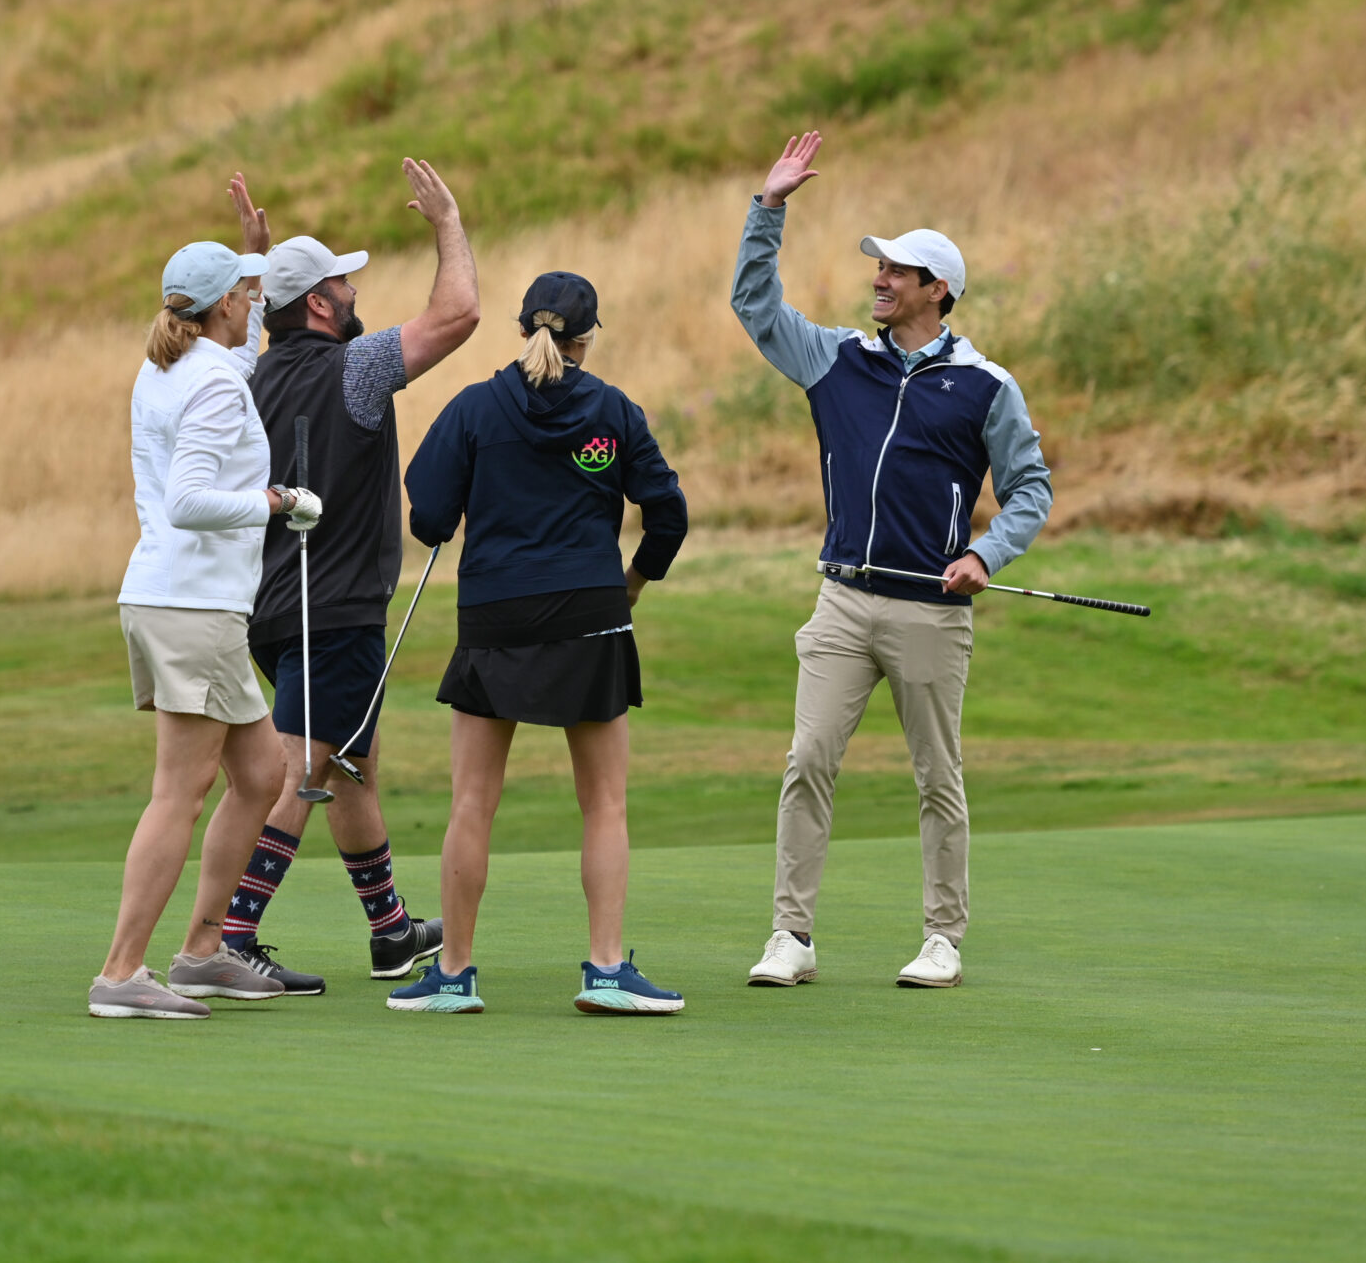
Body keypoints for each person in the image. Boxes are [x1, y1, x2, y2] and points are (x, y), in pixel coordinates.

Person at [730, 131, 1052, 991]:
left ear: (937, 290)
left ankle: (943, 938)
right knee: (807, 763)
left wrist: (987, 553)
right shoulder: (837, 359)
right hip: (841, 602)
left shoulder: (987, 384)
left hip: (930, 613)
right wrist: (770, 209)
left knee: (937, 779)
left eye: (897, 272)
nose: (879, 278)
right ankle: (789, 936)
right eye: (878, 268)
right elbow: (755, 307)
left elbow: (1029, 489)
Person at [388, 272, 690, 1016]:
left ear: (523, 328)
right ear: (587, 337)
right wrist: (634, 584)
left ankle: (454, 975)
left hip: (495, 616)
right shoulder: (613, 411)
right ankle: (607, 970)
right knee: (605, 804)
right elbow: (668, 515)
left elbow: (427, 515)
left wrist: (455, 512)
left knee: (471, 803)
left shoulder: (474, 408)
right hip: (591, 614)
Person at [212, 160, 479, 995]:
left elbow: (261, 330)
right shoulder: (355, 368)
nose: (353, 291)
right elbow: (459, 314)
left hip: (272, 605)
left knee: (351, 759)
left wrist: (254, 265)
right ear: (321, 306)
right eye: (342, 283)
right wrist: (448, 223)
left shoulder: (257, 371)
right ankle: (232, 933)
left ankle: (391, 931)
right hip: (334, 607)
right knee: (307, 766)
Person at [88, 240, 324, 1020]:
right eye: (248, 293)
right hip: (193, 607)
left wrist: (252, 249)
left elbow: (243, 357)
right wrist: (278, 502)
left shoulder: (167, 365)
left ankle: (200, 953)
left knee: (261, 776)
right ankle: (122, 973)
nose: (258, 303)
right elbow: (191, 500)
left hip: (171, 599)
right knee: (179, 795)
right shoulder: (215, 385)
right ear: (223, 303)